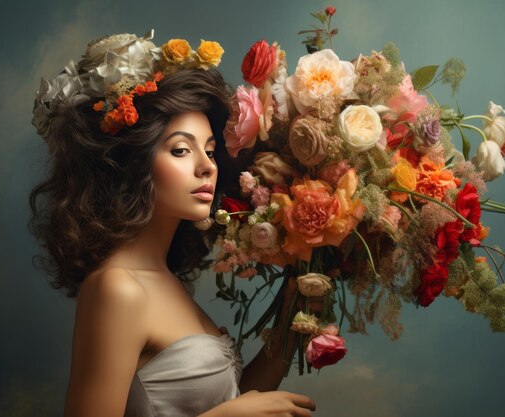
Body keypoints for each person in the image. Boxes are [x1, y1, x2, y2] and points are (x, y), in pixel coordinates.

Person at [29, 30, 317, 416]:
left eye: (210, 150)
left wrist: (289, 321)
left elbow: (230, 402)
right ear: (134, 163)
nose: (207, 166)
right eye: (181, 150)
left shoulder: (164, 280)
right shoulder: (117, 288)